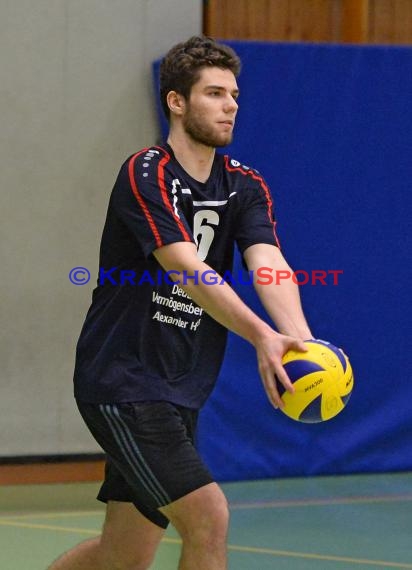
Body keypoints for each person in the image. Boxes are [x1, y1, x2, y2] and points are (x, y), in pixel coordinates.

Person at [49, 35, 313, 570]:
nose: (230, 104)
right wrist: (261, 335)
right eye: (214, 93)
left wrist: (299, 341)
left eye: (234, 94)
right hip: (124, 381)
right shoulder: (146, 173)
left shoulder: (243, 184)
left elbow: (269, 263)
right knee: (209, 518)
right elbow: (188, 269)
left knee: (123, 555)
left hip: (180, 386)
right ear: (177, 101)